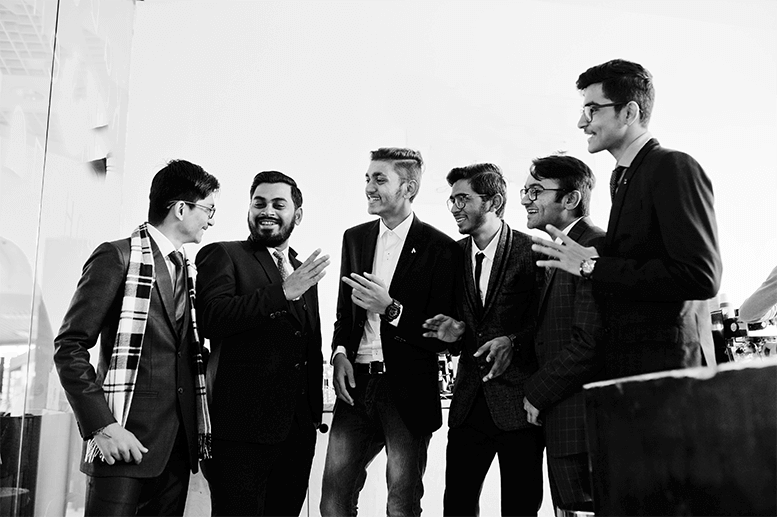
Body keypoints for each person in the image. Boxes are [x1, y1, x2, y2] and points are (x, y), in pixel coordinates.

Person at [531, 59, 722, 379]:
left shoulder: (672, 167)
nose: (581, 122)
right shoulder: (623, 178)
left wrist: (592, 266)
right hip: (636, 373)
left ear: (629, 113)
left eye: (592, 109)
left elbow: (700, 276)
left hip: (669, 375)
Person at [53, 159, 220, 517]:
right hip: (123, 442)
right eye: (208, 209)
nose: (211, 221)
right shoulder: (117, 256)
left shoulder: (188, 270)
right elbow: (69, 346)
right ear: (181, 209)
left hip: (177, 449)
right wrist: (102, 426)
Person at [320, 147, 460, 517]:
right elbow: (344, 314)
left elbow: (442, 334)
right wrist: (339, 353)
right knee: (333, 502)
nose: (369, 187)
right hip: (356, 385)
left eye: (379, 179)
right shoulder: (354, 238)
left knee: (401, 504)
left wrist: (391, 309)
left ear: (408, 188)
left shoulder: (442, 248)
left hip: (408, 392)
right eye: (367, 178)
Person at [195, 171, 329, 516]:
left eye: (278, 204)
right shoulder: (223, 254)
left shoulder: (302, 270)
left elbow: (306, 343)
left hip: (297, 432)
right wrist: (282, 292)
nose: (267, 211)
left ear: (297, 214)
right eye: (259, 203)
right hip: (239, 433)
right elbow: (212, 318)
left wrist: (312, 414)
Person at [423, 163, 544, 516]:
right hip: (468, 405)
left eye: (463, 198)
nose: (455, 207)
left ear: (494, 202)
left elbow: (548, 325)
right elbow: (456, 329)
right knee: (456, 507)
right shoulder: (451, 255)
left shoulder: (534, 251)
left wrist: (514, 341)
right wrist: (453, 334)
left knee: (520, 509)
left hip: (520, 405)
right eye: (452, 200)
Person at [520, 155, 605, 513]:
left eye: (536, 191)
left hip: (582, 428)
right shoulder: (560, 249)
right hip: (564, 426)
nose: (526, 200)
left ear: (570, 199)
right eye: (526, 191)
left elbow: (590, 342)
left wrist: (535, 393)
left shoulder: (592, 248)